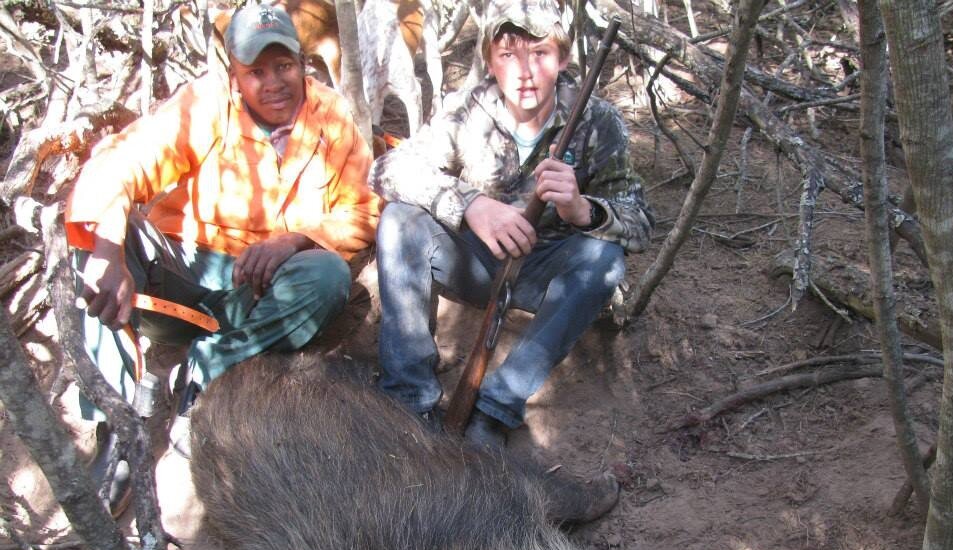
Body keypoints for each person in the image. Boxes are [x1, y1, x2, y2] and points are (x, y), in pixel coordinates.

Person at [65, 3, 380, 516]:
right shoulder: (204, 105)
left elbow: (364, 208)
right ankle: (118, 425)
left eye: (284, 66)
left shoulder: (332, 117)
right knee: (96, 239)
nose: (274, 82)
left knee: (325, 276)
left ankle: (210, 369)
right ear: (234, 75)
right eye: (256, 71)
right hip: (181, 272)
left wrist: (296, 239)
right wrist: (106, 250)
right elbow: (120, 162)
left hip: (259, 289)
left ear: (303, 63)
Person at [370, 0, 654, 450]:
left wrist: (583, 211)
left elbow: (640, 224)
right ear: (489, 62)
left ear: (562, 59)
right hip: (477, 266)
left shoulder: (598, 120)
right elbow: (386, 169)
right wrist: (470, 205)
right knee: (399, 220)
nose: (524, 71)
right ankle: (410, 400)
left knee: (605, 258)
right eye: (508, 55)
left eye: (539, 54)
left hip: (548, 277)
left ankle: (496, 408)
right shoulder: (465, 109)